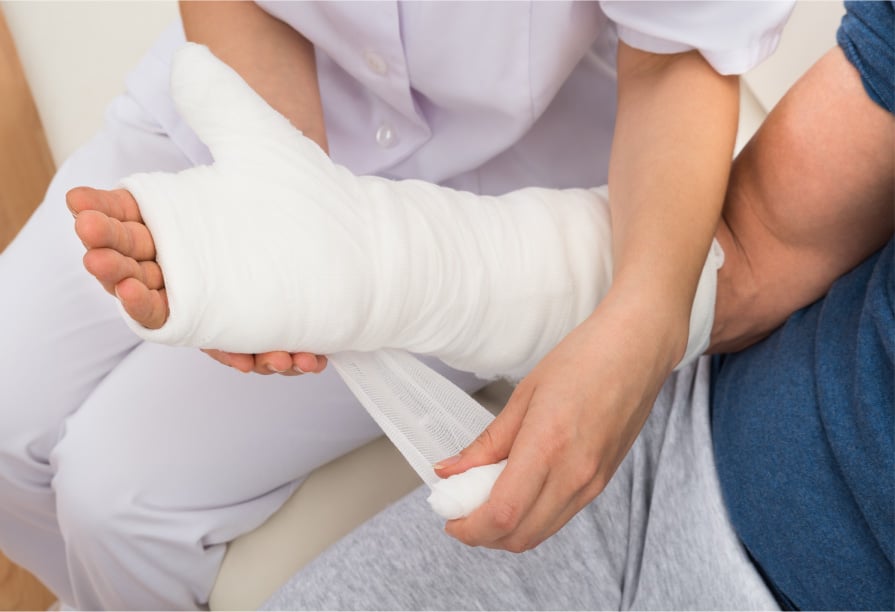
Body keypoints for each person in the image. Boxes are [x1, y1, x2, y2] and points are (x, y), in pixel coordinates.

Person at [74, 1, 893, 609]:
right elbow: (760, 243)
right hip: (684, 449)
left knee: (112, 495)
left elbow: (677, 54)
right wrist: (336, 249)